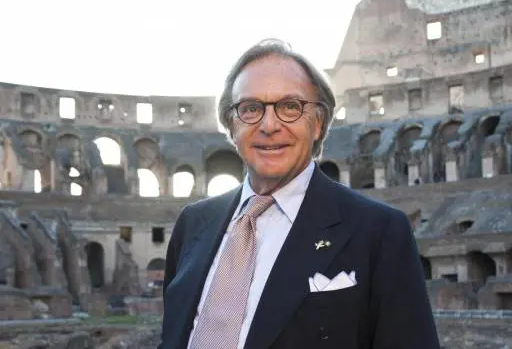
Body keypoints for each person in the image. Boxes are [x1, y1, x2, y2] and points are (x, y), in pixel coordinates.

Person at [159, 39, 440, 349]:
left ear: (318, 123)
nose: (269, 125)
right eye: (251, 108)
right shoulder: (193, 223)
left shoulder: (380, 231)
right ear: (231, 125)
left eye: (290, 107)